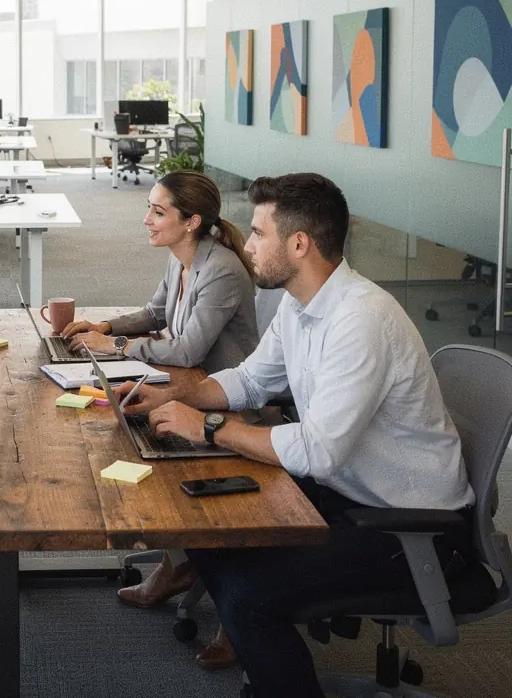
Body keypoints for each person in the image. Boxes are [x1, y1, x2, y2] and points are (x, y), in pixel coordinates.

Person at [114, 173, 475, 698]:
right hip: (349, 492)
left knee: (246, 596)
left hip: (413, 527)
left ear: (299, 243)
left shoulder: (360, 320)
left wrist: (211, 428)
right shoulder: (302, 303)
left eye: (259, 233)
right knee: (207, 527)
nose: (247, 243)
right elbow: (253, 379)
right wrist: (176, 400)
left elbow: (319, 451)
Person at [62, 169, 258, 670]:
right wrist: (104, 326)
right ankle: (179, 562)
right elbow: (155, 313)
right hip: (187, 387)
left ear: (191, 221)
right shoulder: (183, 259)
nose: (146, 219)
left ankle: (234, 610)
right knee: (119, 427)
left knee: (142, 439)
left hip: (226, 402)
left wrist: (116, 346)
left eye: (157, 211)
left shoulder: (221, 269)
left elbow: (188, 347)